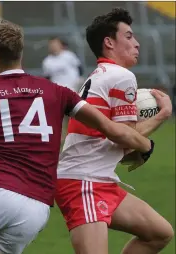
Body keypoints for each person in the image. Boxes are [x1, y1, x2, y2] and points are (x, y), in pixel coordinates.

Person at [0, 20, 156, 254]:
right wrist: (147, 144)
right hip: (36, 208)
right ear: (20, 54)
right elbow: (112, 129)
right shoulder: (58, 92)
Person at [55, 8, 174, 254]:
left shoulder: (101, 75)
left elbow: (122, 140)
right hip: (84, 180)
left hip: (97, 179)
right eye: (129, 37)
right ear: (109, 42)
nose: (137, 43)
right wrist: (162, 114)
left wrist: (138, 146)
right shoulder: (121, 76)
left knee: (159, 233)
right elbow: (127, 141)